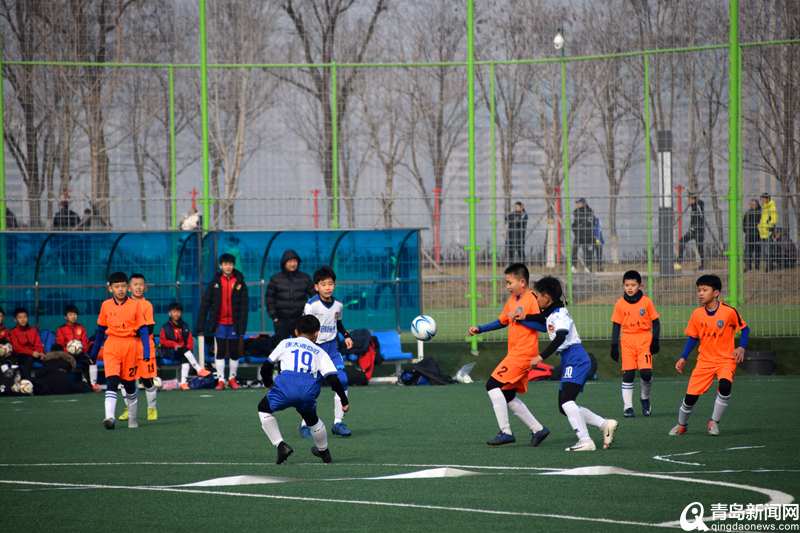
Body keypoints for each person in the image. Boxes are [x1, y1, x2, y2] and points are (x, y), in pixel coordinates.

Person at [510, 276, 618, 451]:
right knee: (564, 406)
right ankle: (604, 424)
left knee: (567, 402)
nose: (536, 299)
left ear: (546, 298)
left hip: (575, 359)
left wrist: (541, 357)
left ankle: (586, 441)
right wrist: (524, 316)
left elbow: (560, 336)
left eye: (537, 296)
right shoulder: (554, 310)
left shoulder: (559, 315)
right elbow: (542, 316)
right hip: (571, 359)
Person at [467, 263, 550, 447]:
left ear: (522, 281)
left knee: (492, 384)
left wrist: (523, 319)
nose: (507, 286)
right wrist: (480, 329)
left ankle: (505, 432)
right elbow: (502, 321)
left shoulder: (532, 299)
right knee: (507, 395)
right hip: (515, 353)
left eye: (509, 282)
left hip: (524, 354)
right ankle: (538, 430)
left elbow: (544, 326)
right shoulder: (513, 300)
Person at [257, 315, 350, 464]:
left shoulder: (285, 343)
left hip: (285, 385)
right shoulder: (319, 351)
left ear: (296, 332)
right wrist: (344, 401)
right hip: (308, 388)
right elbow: (333, 379)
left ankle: (280, 445)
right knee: (312, 419)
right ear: (317, 334)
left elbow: (266, 367)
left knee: (263, 408)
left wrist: (268, 383)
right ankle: (324, 452)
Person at [670, 274, 749, 436]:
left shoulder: (729, 312)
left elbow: (745, 328)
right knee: (690, 398)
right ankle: (681, 424)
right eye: (699, 290)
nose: (700, 293)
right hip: (704, 362)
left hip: (726, 360)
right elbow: (693, 337)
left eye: (705, 290)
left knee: (726, 386)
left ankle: (714, 423)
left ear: (716, 292)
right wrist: (683, 357)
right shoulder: (697, 314)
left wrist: (741, 347)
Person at [89, 272, 151, 430]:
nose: (121, 289)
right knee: (112, 381)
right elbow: (100, 332)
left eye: (123, 286)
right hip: (112, 347)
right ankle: (110, 417)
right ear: (110, 289)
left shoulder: (135, 305)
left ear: (128, 287)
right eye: (117, 287)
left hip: (130, 347)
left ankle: (133, 417)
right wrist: (94, 354)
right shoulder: (105, 305)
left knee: (129, 385)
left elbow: (144, 330)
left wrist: (146, 352)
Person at [300, 266, 353, 438]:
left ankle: (338, 423)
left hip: (332, 348)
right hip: (315, 349)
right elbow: (306, 328)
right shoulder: (311, 305)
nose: (327, 287)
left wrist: (346, 336)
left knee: (342, 380)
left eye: (330, 283)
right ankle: (305, 425)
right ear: (316, 287)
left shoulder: (339, 304)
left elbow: (338, 323)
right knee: (311, 387)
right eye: (323, 284)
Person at [610, 271, 661, 418]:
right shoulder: (620, 303)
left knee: (646, 373)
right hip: (627, 340)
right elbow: (616, 325)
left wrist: (655, 341)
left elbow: (656, 322)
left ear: (640, 286)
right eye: (627, 285)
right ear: (623, 286)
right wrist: (614, 346)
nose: (630, 288)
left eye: (633, 285)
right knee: (628, 374)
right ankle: (628, 408)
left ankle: (644, 398)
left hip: (644, 339)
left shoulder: (646, 302)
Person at [197, 253, 249, 390]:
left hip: (234, 323)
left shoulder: (239, 283)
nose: (228, 266)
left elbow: (244, 307)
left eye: (230, 264)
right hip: (219, 323)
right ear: (221, 266)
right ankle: (221, 380)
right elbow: (205, 304)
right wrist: (201, 325)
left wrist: (242, 326)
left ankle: (232, 378)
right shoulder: (215, 282)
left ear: (233, 265)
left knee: (233, 351)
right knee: (219, 350)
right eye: (225, 264)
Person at [120, 274, 159, 421]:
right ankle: (129, 409)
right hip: (128, 348)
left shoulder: (147, 305)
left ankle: (152, 409)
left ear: (146, 288)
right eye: (135, 284)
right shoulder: (123, 305)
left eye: (141, 284)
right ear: (129, 288)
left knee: (147, 379)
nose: (138, 287)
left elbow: (149, 328)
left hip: (145, 348)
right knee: (125, 380)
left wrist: (129, 331)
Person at [266, 249, 316, 344]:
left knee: (300, 347)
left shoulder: (305, 278)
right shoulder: (275, 278)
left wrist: (308, 315)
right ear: (284, 263)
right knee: (282, 348)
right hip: (281, 321)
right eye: (290, 261)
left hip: (300, 321)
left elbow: (314, 297)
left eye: (295, 261)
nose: (293, 264)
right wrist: (274, 317)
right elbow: (269, 298)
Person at [160, 303, 212, 389]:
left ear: (181, 313)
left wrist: (187, 349)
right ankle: (199, 369)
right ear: (170, 313)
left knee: (185, 357)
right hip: (170, 351)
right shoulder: (165, 327)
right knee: (184, 351)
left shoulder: (185, 326)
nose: (176, 314)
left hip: (183, 351)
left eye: (178, 312)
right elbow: (163, 341)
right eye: (174, 312)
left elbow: (190, 340)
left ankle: (183, 383)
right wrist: (175, 345)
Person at [54, 304, 99, 392]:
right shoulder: (61, 329)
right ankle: (63, 385)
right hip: (67, 355)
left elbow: (85, 343)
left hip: (80, 354)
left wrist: (80, 351)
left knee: (90, 360)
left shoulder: (81, 328)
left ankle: (93, 385)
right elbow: (60, 344)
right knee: (62, 363)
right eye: (70, 315)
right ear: (65, 317)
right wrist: (69, 353)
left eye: (75, 314)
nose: (73, 317)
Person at [8, 307, 45, 381]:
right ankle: (26, 380)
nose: (23, 319)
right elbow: (16, 347)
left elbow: (38, 344)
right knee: (29, 358)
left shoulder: (33, 330)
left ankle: (45, 381)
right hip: (21, 354)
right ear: (15, 320)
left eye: (24, 317)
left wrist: (41, 353)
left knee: (48, 359)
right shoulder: (13, 331)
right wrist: (31, 352)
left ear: (27, 318)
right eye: (20, 317)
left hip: (35, 353)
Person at [674, 195, 705, 271]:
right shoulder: (693, 207)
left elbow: (700, 218)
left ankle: (703, 266)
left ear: (693, 199)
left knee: (699, 248)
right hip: (693, 230)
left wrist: (694, 228)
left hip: (698, 231)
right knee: (682, 240)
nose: (688, 202)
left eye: (689, 200)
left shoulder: (698, 206)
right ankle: (679, 259)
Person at [571, 198, 595, 273]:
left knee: (587, 251)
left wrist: (583, 224)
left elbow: (592, 222)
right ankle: (574, 266)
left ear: (583, 203)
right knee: (574, 250)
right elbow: (575, 224)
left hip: (587, 235)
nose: (578, 204)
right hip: (578, 235)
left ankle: (588, 267)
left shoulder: (589, 211)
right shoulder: (576, 212)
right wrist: (576, 228)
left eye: (579, 203)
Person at [757, 193, 777, 265]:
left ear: (767, 199)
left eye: (763, 199)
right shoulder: (763, 208)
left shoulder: (772, 208)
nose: (761, 201)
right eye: (761, 199)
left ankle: (770, 265)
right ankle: (769, 265)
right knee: (765, 250)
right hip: (762, 232)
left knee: (769, 250)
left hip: (768, 232)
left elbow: (774, 220)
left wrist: (766, 226)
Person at [742, 199, 761, 272]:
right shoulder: (748, 213)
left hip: (757, 235)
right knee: (748, 251)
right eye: (750, 204)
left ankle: (756, 265)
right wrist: (746, 231)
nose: (751, 206)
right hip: (749, 235)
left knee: (757, 251)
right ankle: (748, 265)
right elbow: (744, 223)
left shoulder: (759, 213)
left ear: (756, 205)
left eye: (753, 204)